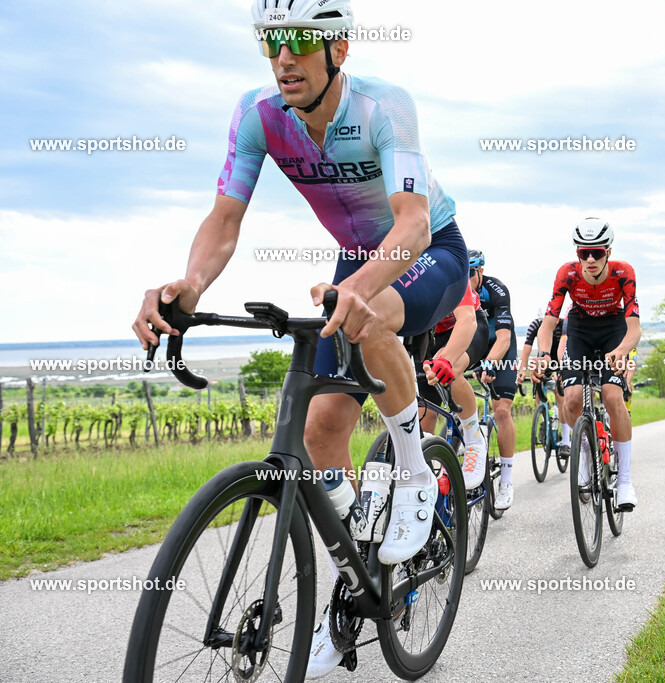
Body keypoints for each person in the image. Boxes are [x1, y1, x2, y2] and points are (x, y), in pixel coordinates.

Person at [130, 1, 466, 676]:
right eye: (270, 43)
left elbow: (411, 224)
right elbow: (225, 218)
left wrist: (363, 288)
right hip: (353, 259)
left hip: (426, 251)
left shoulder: (382, 107)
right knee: (317, 433)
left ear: (337, 49)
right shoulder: (257, 115)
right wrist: (189, 286)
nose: (283, 57)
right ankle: (354, 560)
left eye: (298, 42)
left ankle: (414, 472)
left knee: (373, 314)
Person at [531, 218, 640, 510]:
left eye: (597, 253)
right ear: (577, 253)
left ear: (608, 251)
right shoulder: (566, 274)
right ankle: (583, 458)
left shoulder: (623, 273)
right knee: (573, 398)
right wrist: (543, 354)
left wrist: (622, 350)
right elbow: (549, 323)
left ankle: (626, 481)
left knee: (613, 394)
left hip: (613, 329)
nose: (590, 259)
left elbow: (634, 328)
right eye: (583, 253)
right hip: (579, 329)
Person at [419, 279, 491, 492]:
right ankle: (430, 479)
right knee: (423, 411)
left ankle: (474, 438)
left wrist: (447, 358)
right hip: (427, 334)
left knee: (447, 368)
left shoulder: (446, 269)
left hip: (467, 324)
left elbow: (467, 319)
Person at [469, 250, 519, 509]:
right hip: (475, 344)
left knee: (501, 410)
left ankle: (506, 481)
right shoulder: (456, 290)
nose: (465, 279)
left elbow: (504, 337)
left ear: (480, 271)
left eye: (470, 274)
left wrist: (491, 362)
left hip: (501, 346)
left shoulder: (496, 290)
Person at [518, 311, 571, 458]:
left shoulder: (563, 325)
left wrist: (561, 371)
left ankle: (566, 441)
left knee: (561, 397)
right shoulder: (536, 324)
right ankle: (543, 419)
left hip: (560, 359)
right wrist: (522, 369)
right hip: (544, 361)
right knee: (537, 387)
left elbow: (565, 347)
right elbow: (527, 347)